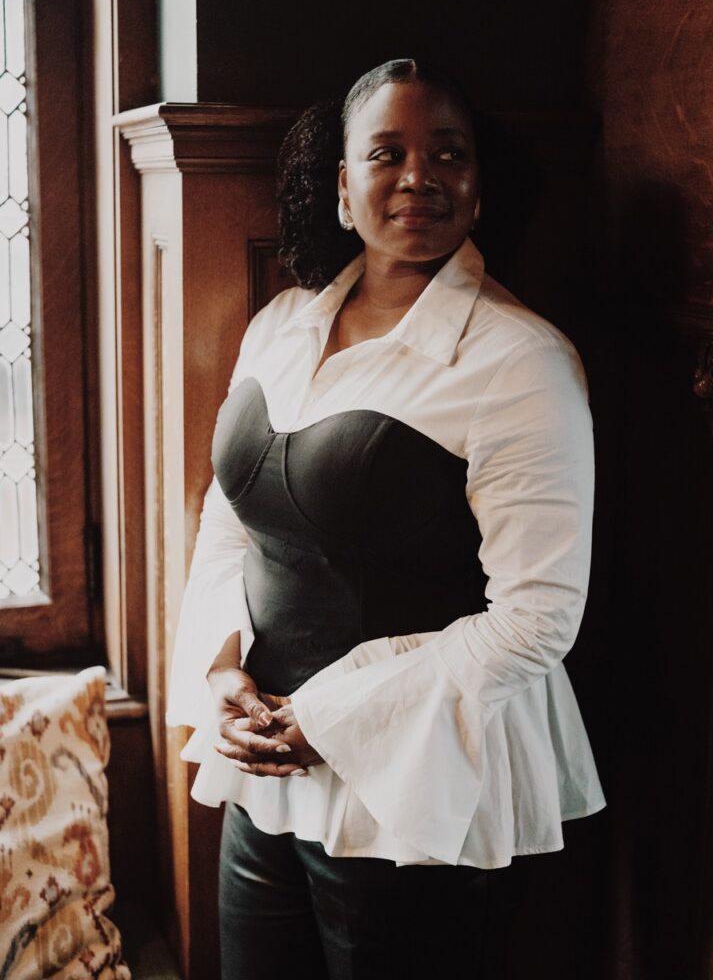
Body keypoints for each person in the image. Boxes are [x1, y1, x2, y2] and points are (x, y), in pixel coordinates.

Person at [166, 58, 606, 980]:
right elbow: (232, 522)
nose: (420, 175)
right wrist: (217, 675)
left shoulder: (520, 360)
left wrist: (322, 714)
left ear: (479, 191)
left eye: (449, 154)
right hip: (266, 774)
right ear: (340, 188)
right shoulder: (278, 325)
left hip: (420, 788)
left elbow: (539, 621)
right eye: (388, 152)